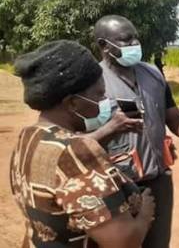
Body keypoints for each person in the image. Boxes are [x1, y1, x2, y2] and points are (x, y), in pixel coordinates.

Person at [10, 40, 155, 248]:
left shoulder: (30, 136)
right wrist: (145, 214)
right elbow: (124, 242)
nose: (104, 99)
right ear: (72, 103)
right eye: (98, 93)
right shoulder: (75, 153)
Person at [93, 15, 179, 248]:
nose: (134, 44)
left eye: (135, 38)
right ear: (103, 46)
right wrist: (110, 128)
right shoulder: (91, 83)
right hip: (115, 187)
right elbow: (76, 141)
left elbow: (176, 122)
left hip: (158, 184)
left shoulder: (154, 75)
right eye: (125, 40)